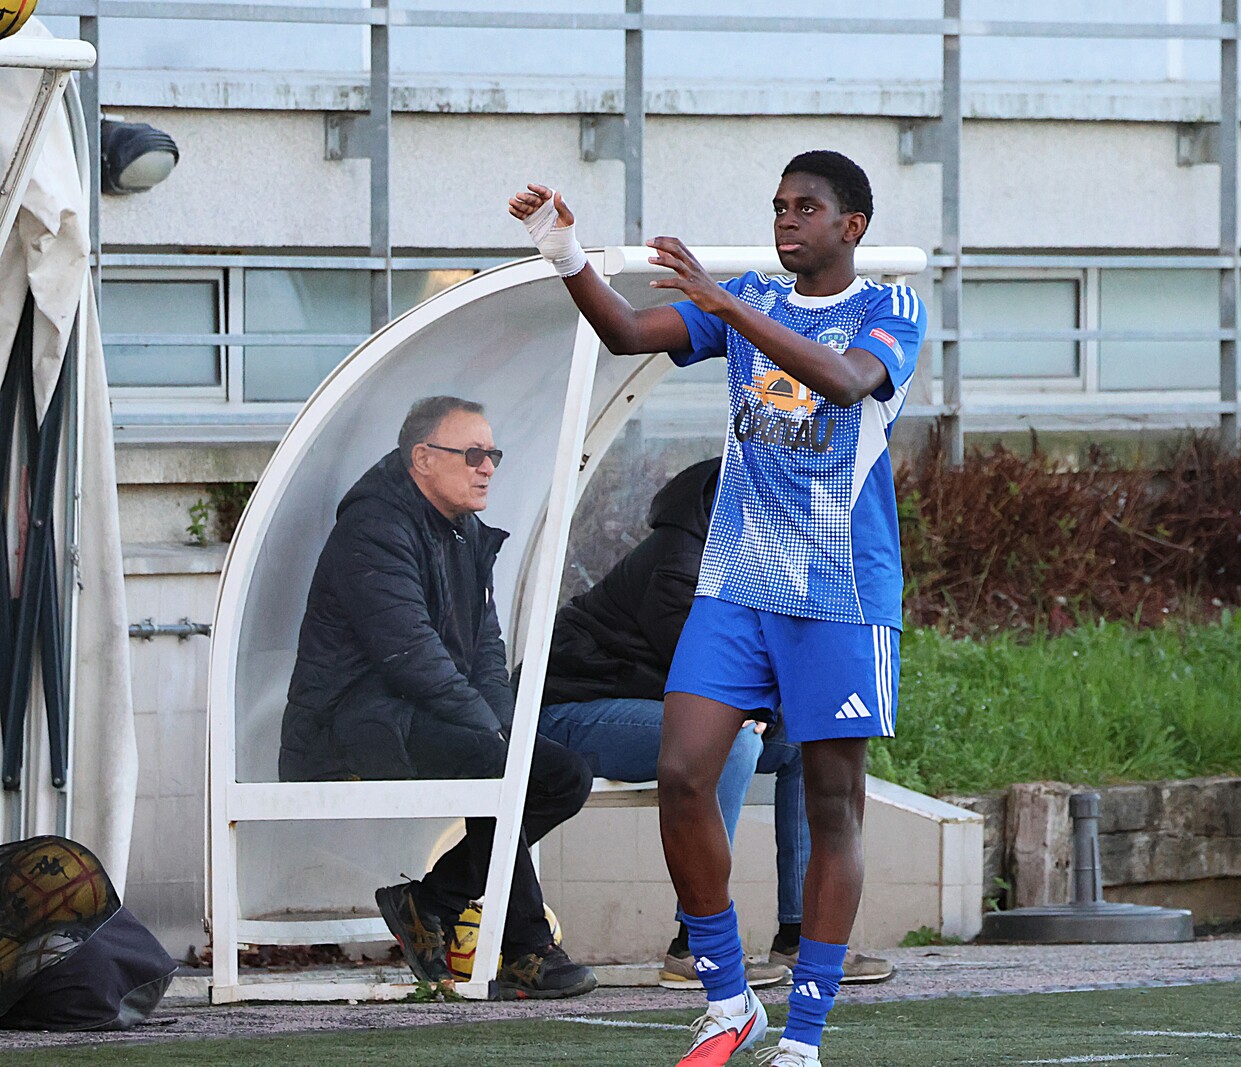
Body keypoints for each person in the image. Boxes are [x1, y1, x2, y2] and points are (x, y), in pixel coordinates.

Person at [510, 149, 926, 1066]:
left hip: (838, 593)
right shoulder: (747, 297)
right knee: (684, 769)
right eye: (778, 205)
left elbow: (846, 380)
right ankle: (729, 997)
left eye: (806, 206)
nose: (786, 220)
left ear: (852, 225)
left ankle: (804, 1036)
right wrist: (563, 249)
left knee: (832, 805)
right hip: (736, 583)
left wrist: (730, 309)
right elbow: (625, 330)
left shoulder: (890, 307)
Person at [278, 395, 598, 1001]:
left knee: (563, 776)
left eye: (493, 454)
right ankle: (527, 949)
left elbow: (486, 651)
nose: (488, 467)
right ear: (423, 459)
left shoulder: (465, 531)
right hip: (344, 725)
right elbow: (411, 654)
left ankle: (433, 900)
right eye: (473, 454)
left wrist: (502, 726)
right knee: (494, 760)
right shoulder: (374, 528)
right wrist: (489, 734)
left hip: (413, 715)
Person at [534, 458, 894, 990]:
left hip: (640, 708)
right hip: (569, 714)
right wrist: (757, 711)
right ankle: (694, 946)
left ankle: (799, 935)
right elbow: (707, 673)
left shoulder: (754, 561)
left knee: (804, 744)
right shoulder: (683, 563)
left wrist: (774, 712)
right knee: (729, 746)